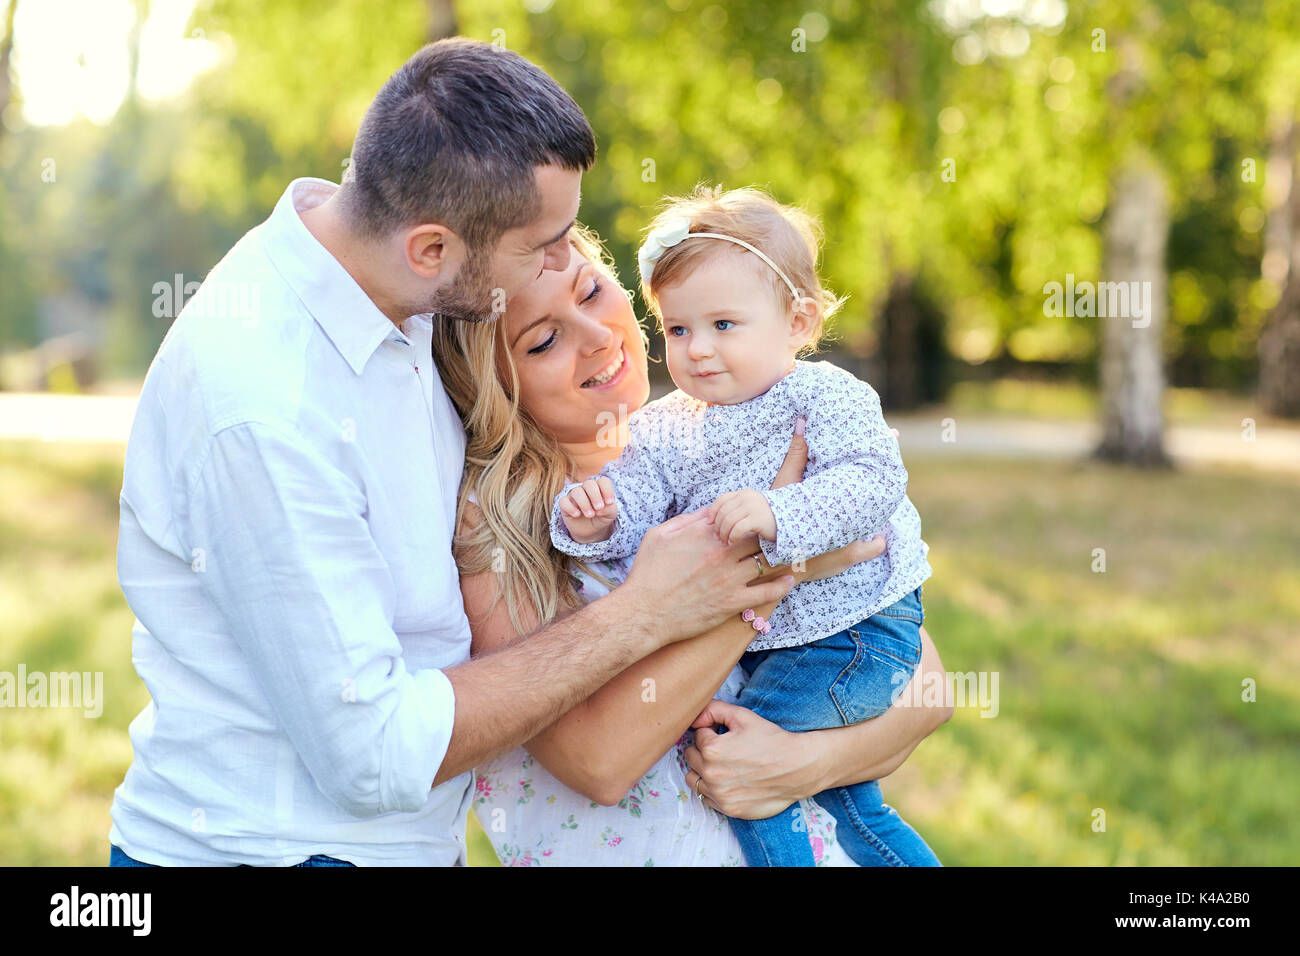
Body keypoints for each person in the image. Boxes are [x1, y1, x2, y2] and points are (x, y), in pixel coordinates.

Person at [107, 38, 799, 867]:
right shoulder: (262, 404)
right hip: (275, 853)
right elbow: (372, 754)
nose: (564, 264)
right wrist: (648, 609)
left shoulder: (397, 272)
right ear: (433, 249)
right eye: (543, 246)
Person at [430, 223, 953, 865]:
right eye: (543, 341)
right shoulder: (500, 525)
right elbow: (597, 763)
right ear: (493, 379)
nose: (596, 338)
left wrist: (800, 765)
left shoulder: (714, 442)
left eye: (592, 293)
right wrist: (763, 577)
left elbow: (929, 689)